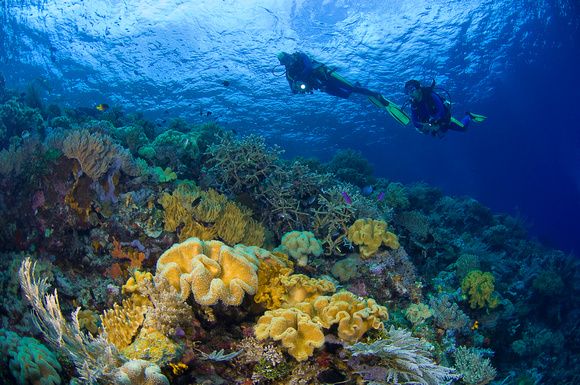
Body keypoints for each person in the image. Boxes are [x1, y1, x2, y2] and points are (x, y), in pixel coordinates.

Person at [277, 51, 410, 126]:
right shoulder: (289, 73)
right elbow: (292, 90)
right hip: (322, 86)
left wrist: (299, 77)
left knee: (352, 88)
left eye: (287, 59)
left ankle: (375, 95)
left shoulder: (300, 55)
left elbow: (310, 67)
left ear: (290, 55)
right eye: (284, 62)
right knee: (346, 94)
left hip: (326, 74)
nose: (288, 62)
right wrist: (296, 87)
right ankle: (358, 87)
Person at [404, 79, 487, 137]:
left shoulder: (431, 95)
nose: (410, 94)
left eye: (411, 90)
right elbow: (415, 122)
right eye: (407, 92)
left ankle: (469, 115)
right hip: (436, 125)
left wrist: (429, 125)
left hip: (445, 120)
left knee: (463, 128)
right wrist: (426, 126)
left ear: (419, 89)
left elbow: (442, 113)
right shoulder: (414, 105)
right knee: (443, 130)